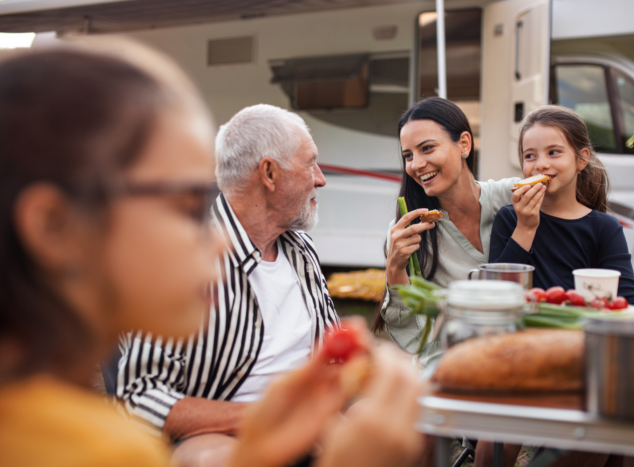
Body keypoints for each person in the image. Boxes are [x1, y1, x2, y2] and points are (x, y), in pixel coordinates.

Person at [0, 44, 424, 467]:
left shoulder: (57, 431)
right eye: (186, 204)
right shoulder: (98, 452)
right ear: (54, 227)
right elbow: (140, 396)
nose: (218, 241)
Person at [115, 103, 342, 463]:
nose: (320, 178)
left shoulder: (301, 249)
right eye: (310, 162)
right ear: (269, 173)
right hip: (221, 436)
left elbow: (335, 356)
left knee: (407, 431)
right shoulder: (184, 260)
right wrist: (267, 417)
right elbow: (140, 397)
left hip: (314, 419)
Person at [374, 97, 519, 356]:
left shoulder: (511, 197)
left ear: (464, 143)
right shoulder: (408, 230)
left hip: (517, 350)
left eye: (427, 148)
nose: (416, 165)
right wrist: (395, 268)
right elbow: (414, 334)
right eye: (408, 155)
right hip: (449, 359)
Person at [489, 105, 634, 305]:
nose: (541, 164)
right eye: (530, 156)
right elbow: (495, 294)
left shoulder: (605, 228)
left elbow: (629, 300)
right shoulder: (509, 219)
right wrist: (525, 228)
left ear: (582, 159)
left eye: (553, 152)